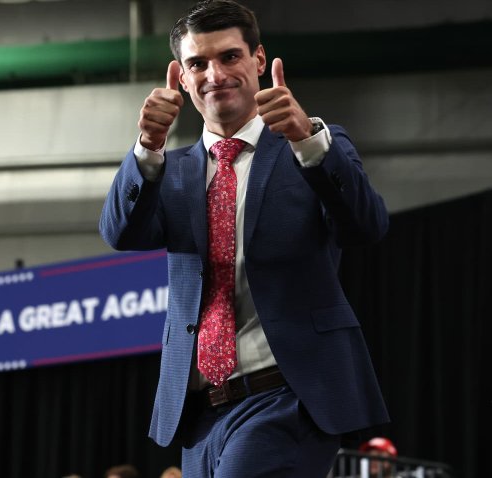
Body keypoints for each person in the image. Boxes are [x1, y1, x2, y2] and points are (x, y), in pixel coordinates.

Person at [99, 0, 389, 476]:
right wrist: (147, 149)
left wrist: (308, 141)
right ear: (182, 77)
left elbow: (366, 225)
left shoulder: (313, 148)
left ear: (258, 60)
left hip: (288, 394)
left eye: (229, 56)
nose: (215, 74)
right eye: (198, 63)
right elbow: (120, 233)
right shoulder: (168, 172)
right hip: (199, 412)